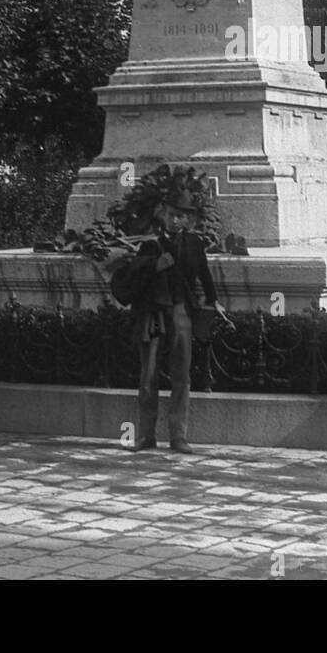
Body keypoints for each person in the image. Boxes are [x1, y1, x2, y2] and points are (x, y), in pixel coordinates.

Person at [130, 189, 228, 454]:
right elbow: (136, 278)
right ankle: (145, 436)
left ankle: (178, 437)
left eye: (181, 216)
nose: (175, 220)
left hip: (182, 313)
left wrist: (214, 300)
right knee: (148, 377)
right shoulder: (150, 244)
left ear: (187, 219)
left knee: (181, 377)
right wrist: (155, 266)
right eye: (172, 214)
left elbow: (204, 274)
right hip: (155, 315)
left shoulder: (195, 244)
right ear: (164, 214)